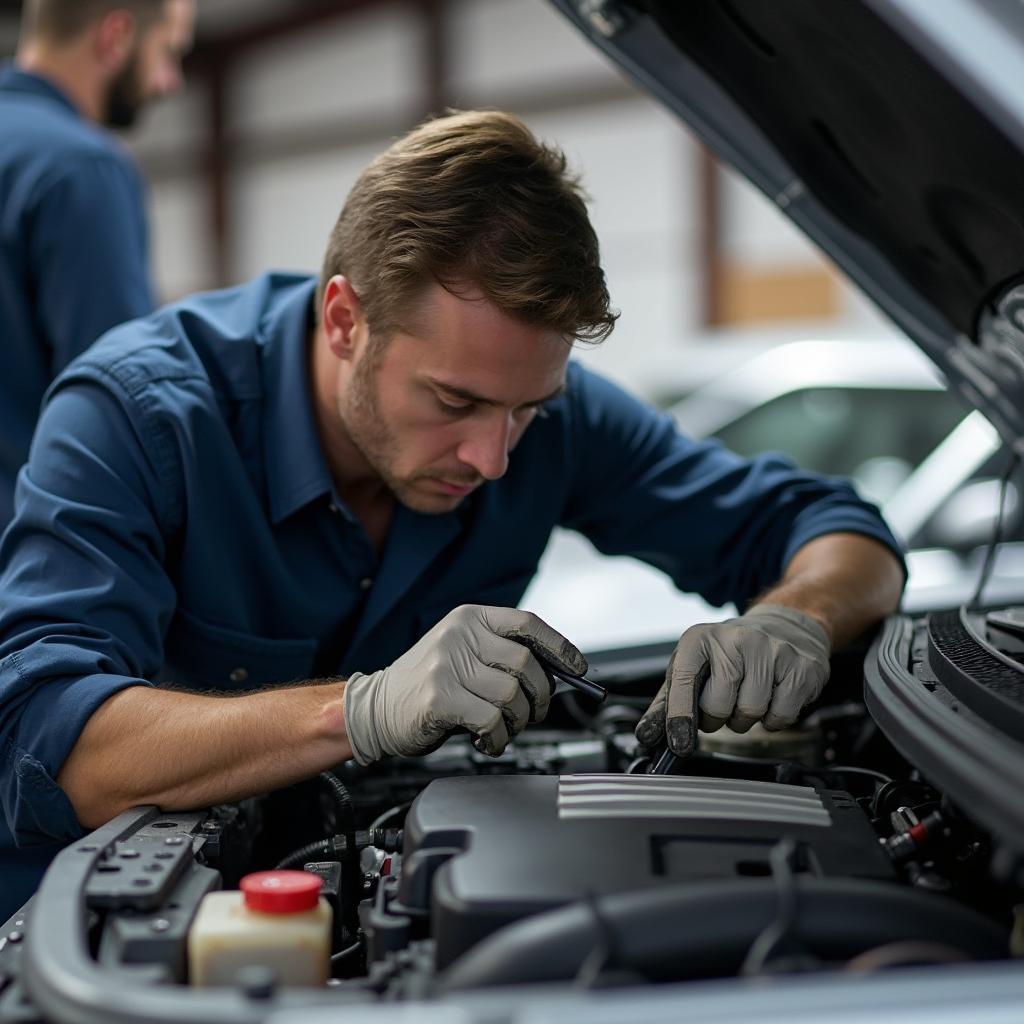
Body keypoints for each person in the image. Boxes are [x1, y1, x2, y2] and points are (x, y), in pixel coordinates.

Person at [0, 110, 905, 918]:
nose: (496, 457)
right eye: (454, 401)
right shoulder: (137, 414)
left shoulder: (551, 421)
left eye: (529, 410)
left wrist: (797, 617)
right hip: (117, 930)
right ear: (346, 319)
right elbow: (46, 739)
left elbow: (836, 530)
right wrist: (357, 713)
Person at [0, 0, 195, 527]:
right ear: (115, 37)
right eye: (167, 53)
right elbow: (118, 399)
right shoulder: (81, 168)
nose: (169, 82)